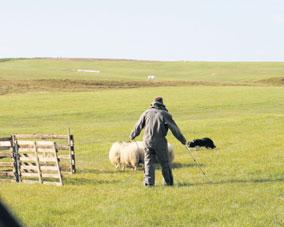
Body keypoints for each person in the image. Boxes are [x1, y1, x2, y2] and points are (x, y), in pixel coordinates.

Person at [129, 97, 187, 186]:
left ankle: (149, 184)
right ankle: (168, 183)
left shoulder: (146, 112)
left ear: (153, 103)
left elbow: (138, 126)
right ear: (162, 104)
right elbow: (175, 129)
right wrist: (183, 140)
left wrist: (132, 135)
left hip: (147, 142)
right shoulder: (165, 114)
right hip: (160, 142)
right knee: (164, 163)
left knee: (148, 163)